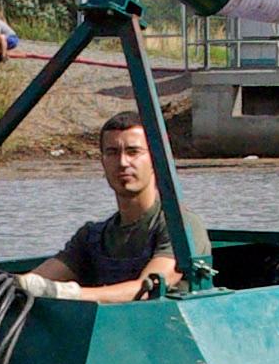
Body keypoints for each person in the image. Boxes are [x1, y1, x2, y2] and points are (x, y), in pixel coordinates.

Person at [18, 111, 177, 303]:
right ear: (102, 161)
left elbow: (148, 289)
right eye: (112, 153)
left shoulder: (179, 228)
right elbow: (36, 280)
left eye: (133, 152)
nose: (122, 163)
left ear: (155, 159)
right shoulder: (91, 237)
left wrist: (69, 293)